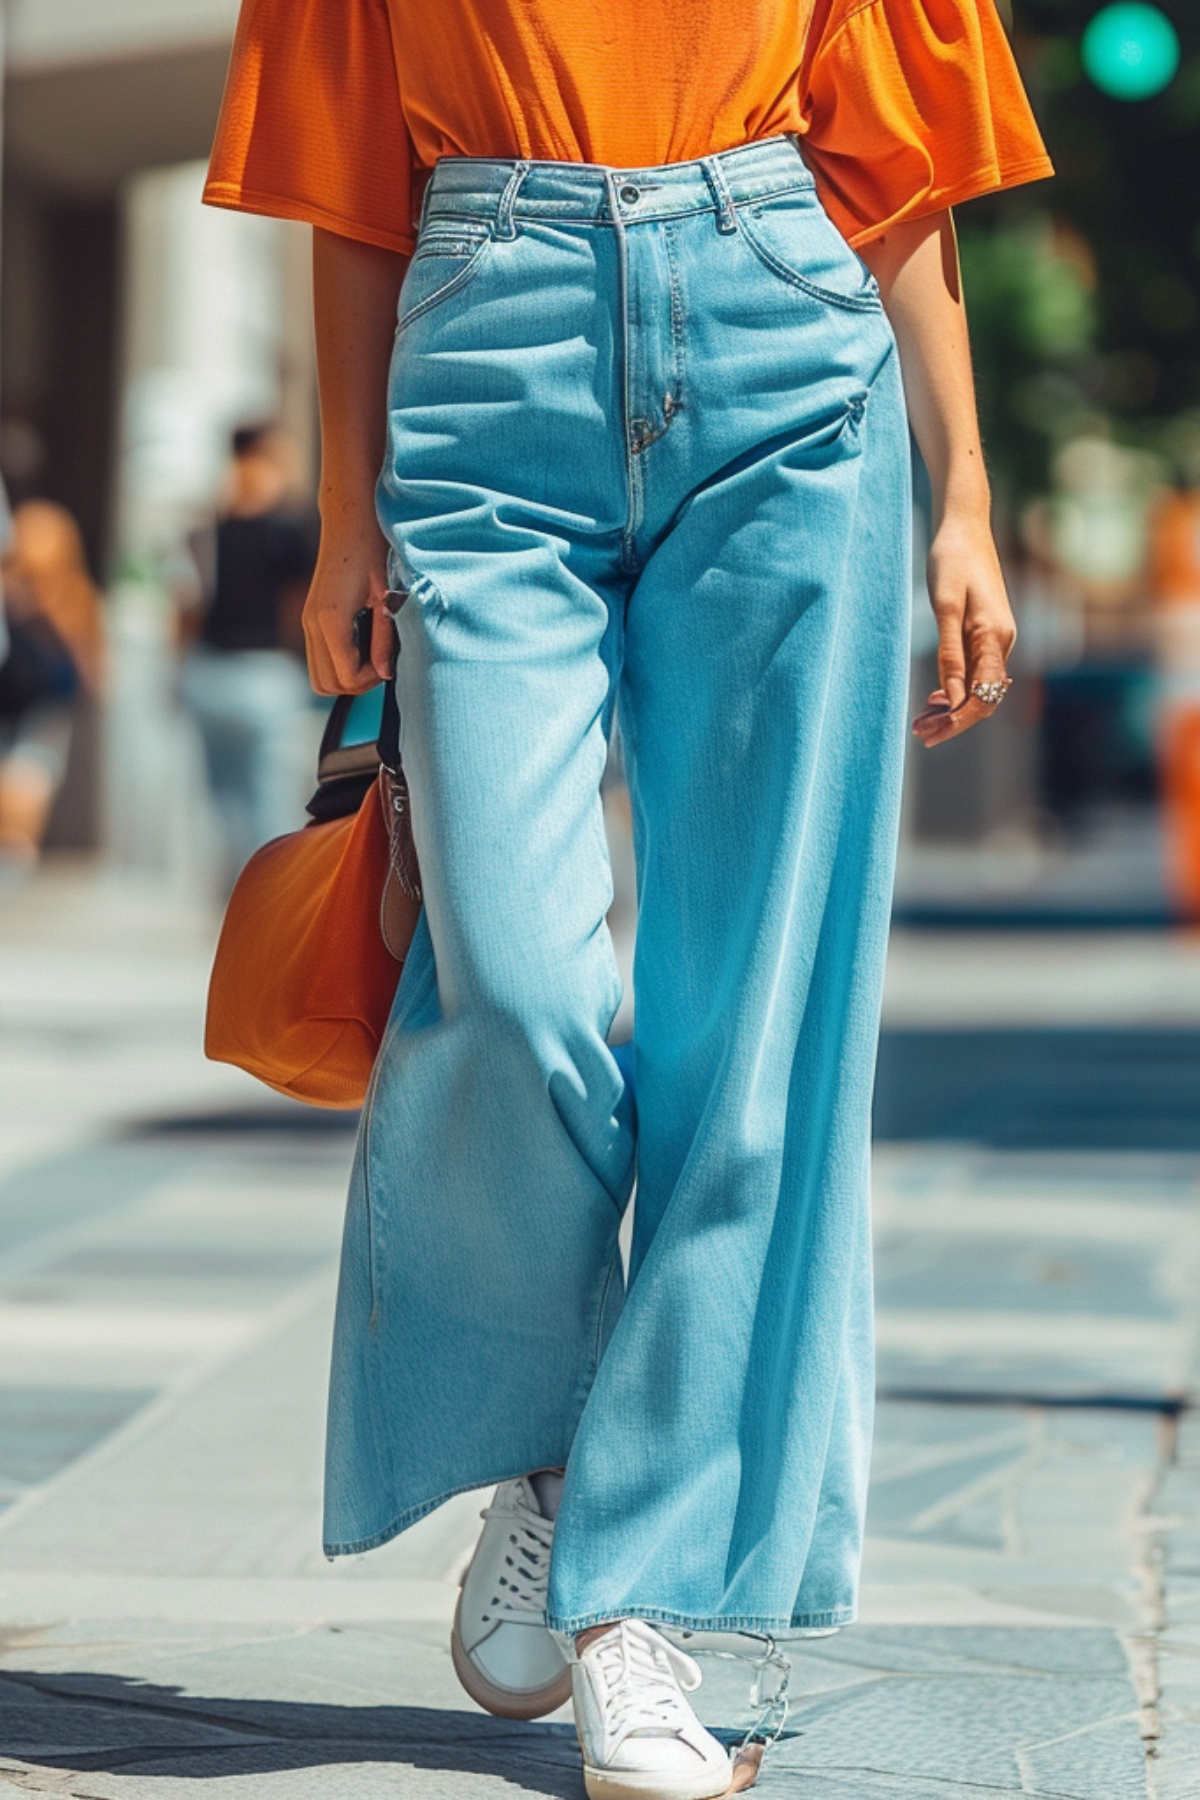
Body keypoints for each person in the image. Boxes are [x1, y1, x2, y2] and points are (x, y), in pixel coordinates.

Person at [205, 4, 1051, 1794]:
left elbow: (898, 150)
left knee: (756, 1040)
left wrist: (967, 492)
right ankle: (569, 1454)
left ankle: (637, 1612)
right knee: (509, 984)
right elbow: (353, 177)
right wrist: (347, 509)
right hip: (484, 340)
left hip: (785, 342)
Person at [177, 424, 318, 887]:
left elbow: (187, 606)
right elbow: (300, 604)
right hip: (266, 672)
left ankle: (232, 899)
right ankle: (267, 903)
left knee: (222, 798)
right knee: (269, 800)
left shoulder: (206, 526)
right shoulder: (289, 527)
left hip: (208, 669)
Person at [0, 500, 104, 874]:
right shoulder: (8, 589)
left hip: (45, 710)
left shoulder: (74, 596)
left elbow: (93, 672)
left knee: (27, 782)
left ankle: (13, 865)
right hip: (14, 705)